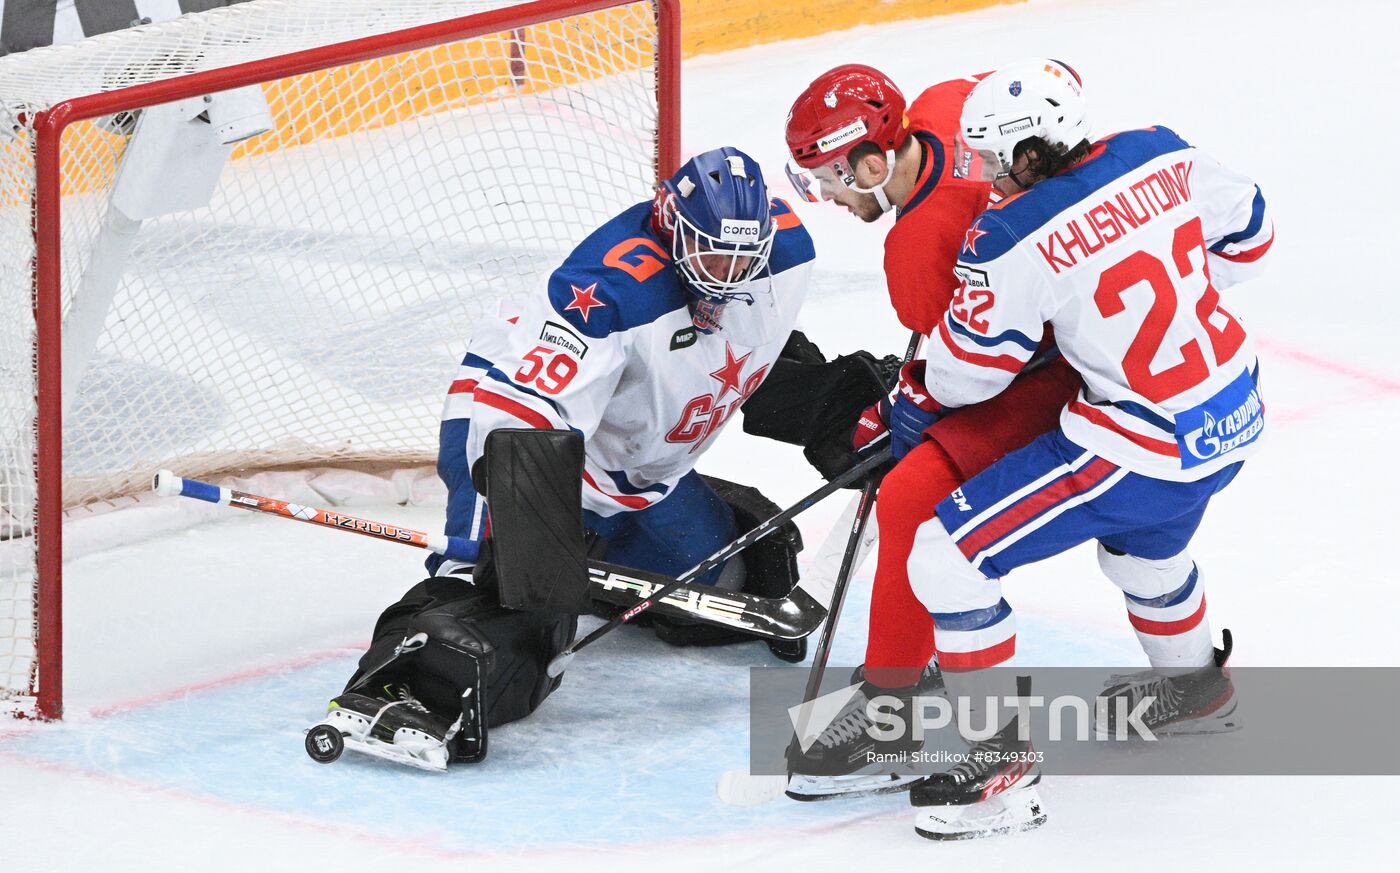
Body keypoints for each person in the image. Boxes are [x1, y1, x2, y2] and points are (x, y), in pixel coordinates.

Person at [313, 147, 854, 770]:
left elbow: (752, 354)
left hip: (646, 477)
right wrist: (509, 549)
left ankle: (597, 566)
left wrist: (840, 410)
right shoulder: (607, 294)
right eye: (711, 253)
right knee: (516, 620)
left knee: (746, 581)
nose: (728, 276)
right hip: (537, 460)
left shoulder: (787, 253)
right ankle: (408, 682)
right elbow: (513, 426)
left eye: (743, 257)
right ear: (672, 225)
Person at [890, 58, 1273, 839]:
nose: (991, 182)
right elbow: (1253, 231)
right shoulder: (1159, 150)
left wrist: (923, 379)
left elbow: (968, 378)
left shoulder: (1011, 232)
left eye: (998, 164)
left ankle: (998, 769)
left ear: (1031, 154)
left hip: (1141, 444)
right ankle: (1197, 690)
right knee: (1142, 555)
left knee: (945, 556)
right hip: (1234, 409)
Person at [780, 64, 1082, 799]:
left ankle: (893, 704)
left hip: (1053, 370)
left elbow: (971, 369)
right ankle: (906, 680)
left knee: (913, 496)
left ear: (875, 162)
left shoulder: (912, 249)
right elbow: (1050, 80)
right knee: (912, 491)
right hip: (1083, 329)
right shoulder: (949, 105)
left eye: (830, 180)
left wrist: (906, 412)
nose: (828, 197)